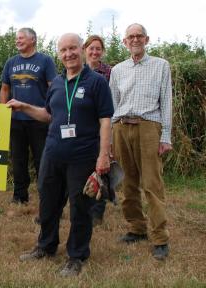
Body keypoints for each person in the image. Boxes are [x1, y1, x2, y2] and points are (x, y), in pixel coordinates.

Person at [8, 33, 114, 277]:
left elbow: (106, 120)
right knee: (48, 201)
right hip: (53, 153)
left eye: (73, 48)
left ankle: (76, 255)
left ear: (82, 49)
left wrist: (103, 155)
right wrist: (24, 106)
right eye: (63, 50)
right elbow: (48, 115)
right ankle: (46, 246)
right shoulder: (56, 83)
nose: (68, 54)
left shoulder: (96, 82)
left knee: (80, 206)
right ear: (59, 54)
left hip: (83, 156)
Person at [109, 23, 172, 261]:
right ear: (125, 42)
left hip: (148, 127)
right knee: (127, 182)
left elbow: (166, 102)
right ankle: (136, 228)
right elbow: (112, 103)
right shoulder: (118, 70)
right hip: (121, 127)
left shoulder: (161, 66)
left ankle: (160, 238)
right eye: (130, 37)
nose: (135, 40)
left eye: (139, 36)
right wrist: (111, 137)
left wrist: (165, 136)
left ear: (147, 40)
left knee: (152, 184)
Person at [0, 27, 56, 204]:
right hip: (16, 120)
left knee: (43, 161)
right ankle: (19, 196)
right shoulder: (11, 62)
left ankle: (46, 196)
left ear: (33, 40)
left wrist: (52, 112)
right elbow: (5, 88)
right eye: (17, 38)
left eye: (21, 38)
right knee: (18, 160)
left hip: (39, 119)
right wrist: (2, 112)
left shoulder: (45, 61)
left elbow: (53, 87)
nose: (18, 41)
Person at [83, 35, 112, 226]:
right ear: (84, 49)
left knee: (101, 167)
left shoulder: (109, 72)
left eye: (98, 49)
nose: (94, 52)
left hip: (102, 125)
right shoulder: (76, 70)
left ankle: (97, 212)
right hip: (83, 126)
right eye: (91, 48)